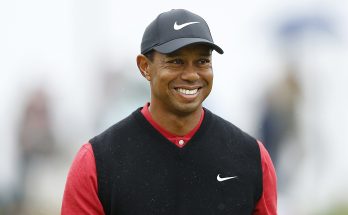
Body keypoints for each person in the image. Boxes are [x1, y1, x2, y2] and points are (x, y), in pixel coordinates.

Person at [62, 9, 277, 215]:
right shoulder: (97, 161)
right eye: (176, 61)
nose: (192, 75)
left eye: (202, 61)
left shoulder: (251, 157)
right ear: (145, 67)